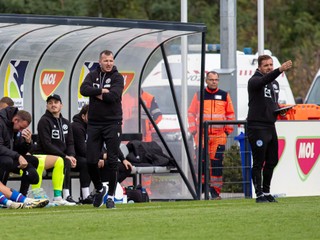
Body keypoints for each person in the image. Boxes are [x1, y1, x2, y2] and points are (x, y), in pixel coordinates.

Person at [80, 49, 124, 209]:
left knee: (112, 160)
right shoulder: (92, 75)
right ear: (100, 62)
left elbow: (114, 96)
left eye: (111, 61)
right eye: (106, 61)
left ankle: (110, 196)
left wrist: (96, 94)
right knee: (90, 161)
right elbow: (83, 89)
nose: (109, 63)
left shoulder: (118, 77)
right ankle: (100, 188)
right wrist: (100, 91)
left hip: (113, 123)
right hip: (94, 124)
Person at [247, 55, 292, 203]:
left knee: (272, 160)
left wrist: (279, 110)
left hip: (270, 126)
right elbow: (263, 81)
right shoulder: (254, 81)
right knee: (258, 162)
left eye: (271, 65)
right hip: (257, 126)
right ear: (259, 67)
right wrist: (280, 69)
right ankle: (258, 194)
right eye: (266, 65)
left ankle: (266, 192)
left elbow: (271, 103)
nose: (269, 68)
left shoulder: (275, 84)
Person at [188, 71, 235, 200]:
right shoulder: (199, 95)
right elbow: (191, 113)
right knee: (201, 162)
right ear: (206, 81)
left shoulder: (224, 95)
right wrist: (193, 129)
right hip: (202, 135)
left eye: (216, 79)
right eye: (211, 79)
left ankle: (215, 192)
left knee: (217, 164)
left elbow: (230, 114)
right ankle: (202, 189)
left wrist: (227, 131)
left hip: (219, 136)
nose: (214, 81)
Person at [32, 94, 77, 206]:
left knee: (85, 163)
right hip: (44, 156)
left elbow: (70, 142)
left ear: (61, 105)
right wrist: (65, 156)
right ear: (47, 106)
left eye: (56, 102)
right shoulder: (44, 121)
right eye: (50, 103)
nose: (53, 105)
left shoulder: (66, 122)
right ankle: (65, 195)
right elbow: (47, 145)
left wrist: (71, 155)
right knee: (64, 160)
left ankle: (89, 195)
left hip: (61, 156)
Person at [0, 107, 40, 196]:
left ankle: (22, 195)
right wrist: (18, 156)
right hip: (3, 158)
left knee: (33, 160)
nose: (21, 130)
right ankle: (2, 195)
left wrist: (27, 143)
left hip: (9, 156)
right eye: (21, 127)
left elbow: (17, 149)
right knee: (7, 161)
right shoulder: (1, 122)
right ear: (16, 120)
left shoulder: (15, 128)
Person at [71, 104, 93, 204]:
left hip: (82, 157)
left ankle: (103, 192)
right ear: (83, 116)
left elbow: (98, 146)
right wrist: (98, 157)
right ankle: (85, 196)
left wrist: (102, 156)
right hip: (72, 158)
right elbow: (82, 150)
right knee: (86, 162)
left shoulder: (92, 127)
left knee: (108, 163)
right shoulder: (76, 127)